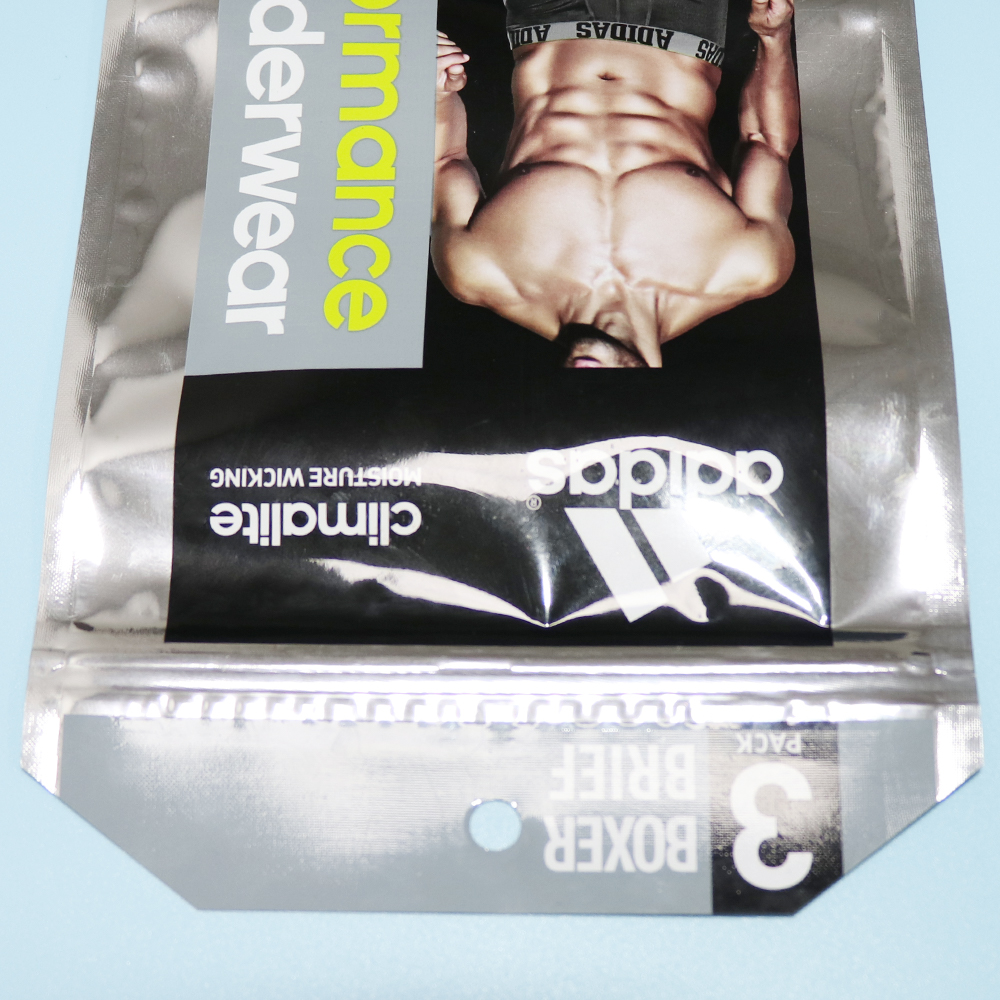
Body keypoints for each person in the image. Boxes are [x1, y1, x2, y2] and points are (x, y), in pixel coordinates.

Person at [432, 0, 799, 368]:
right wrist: (774, 36)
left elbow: (444, 160)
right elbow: (768, 143)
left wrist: (436, 96)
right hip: (682, 26)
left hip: (552, 20)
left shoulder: (484, 273)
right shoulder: (745, 265)